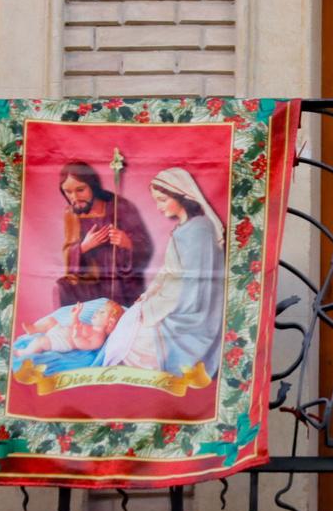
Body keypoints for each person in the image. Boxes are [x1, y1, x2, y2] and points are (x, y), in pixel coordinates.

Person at [95, 167, 228, 383]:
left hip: (192, 311)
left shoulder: (199, 229)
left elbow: (193, 283)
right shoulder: (183, 229)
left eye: (163, 200)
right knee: (130, 321)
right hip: (175, 299)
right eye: (156, 200)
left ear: (182, 196)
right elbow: (168, 271)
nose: (158, 206)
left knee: (136, 336)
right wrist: (149, 295)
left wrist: (155, 306)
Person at [57, 161, 151, 310]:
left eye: (80, 190)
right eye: (68, 192)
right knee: (62, 287)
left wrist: (127, 243)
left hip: (118, 279)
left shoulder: (120, 207)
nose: (74, 197)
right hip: (89, 281)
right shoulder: (71, 214)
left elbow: (145, 246)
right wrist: (83, 247)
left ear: (93, 186)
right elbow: (67, 254)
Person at [12, 298, 123, 377]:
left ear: (110, 323)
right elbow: (74, 325)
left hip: (64, 342)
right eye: (98, 310)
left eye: (102, 312)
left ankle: (24, 352)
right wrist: (75, 316)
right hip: (61, 331)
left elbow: (85, 346)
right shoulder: (91, 326)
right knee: (51, 321)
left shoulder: (98, 337)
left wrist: (77, 337)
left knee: (41, 341)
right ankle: (34, 329)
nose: (96, 312)